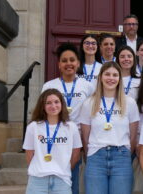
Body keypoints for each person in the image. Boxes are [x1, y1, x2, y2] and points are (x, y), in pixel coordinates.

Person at [41, 42, 94, 194]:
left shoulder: (87, 86)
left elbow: (92, 113)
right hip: (55, 139)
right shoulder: (49, 86)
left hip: (77, 140)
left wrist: (87, 141)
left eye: (72, 60)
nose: (68, 64)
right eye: (64, 60)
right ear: (58, 64)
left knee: (72, 180)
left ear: (78, 63)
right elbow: (43, 113)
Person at [80, 62, 139, 194]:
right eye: (107, 74)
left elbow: (133, 135)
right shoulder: (89, 103)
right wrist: (90, 155)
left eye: (115, 75)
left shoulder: (129, 102)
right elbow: (85, 135)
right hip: (96, 157)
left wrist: (126, 154)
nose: (111, 78)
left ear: (119, 79)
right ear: (101, 77)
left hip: (121, 157)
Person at [23, 89, 82, 194]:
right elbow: (29, 154)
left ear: (61, 104)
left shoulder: (71, 127)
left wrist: (64, 168)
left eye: (56, 102)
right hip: (37, 180)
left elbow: (76, 154)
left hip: (62, 180)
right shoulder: (33, 127)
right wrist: (39, 168)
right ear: (42, 106)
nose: (53, 106)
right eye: (48, 103)